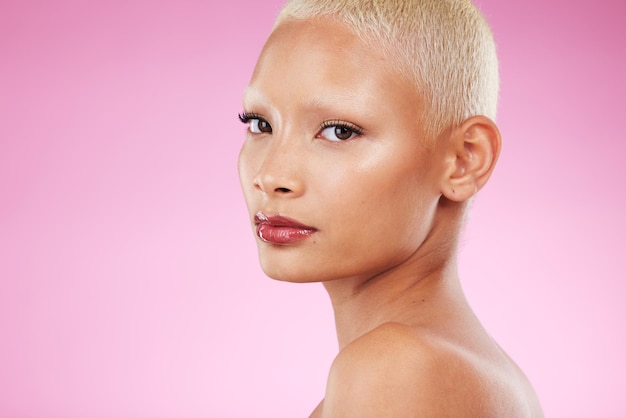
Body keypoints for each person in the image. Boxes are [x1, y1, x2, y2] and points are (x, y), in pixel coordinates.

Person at [237, 0, 543, 416]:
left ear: (464, 159)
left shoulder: (395, 370)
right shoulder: (472, 371)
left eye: (339, 131)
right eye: (260, 124)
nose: (271, 175)